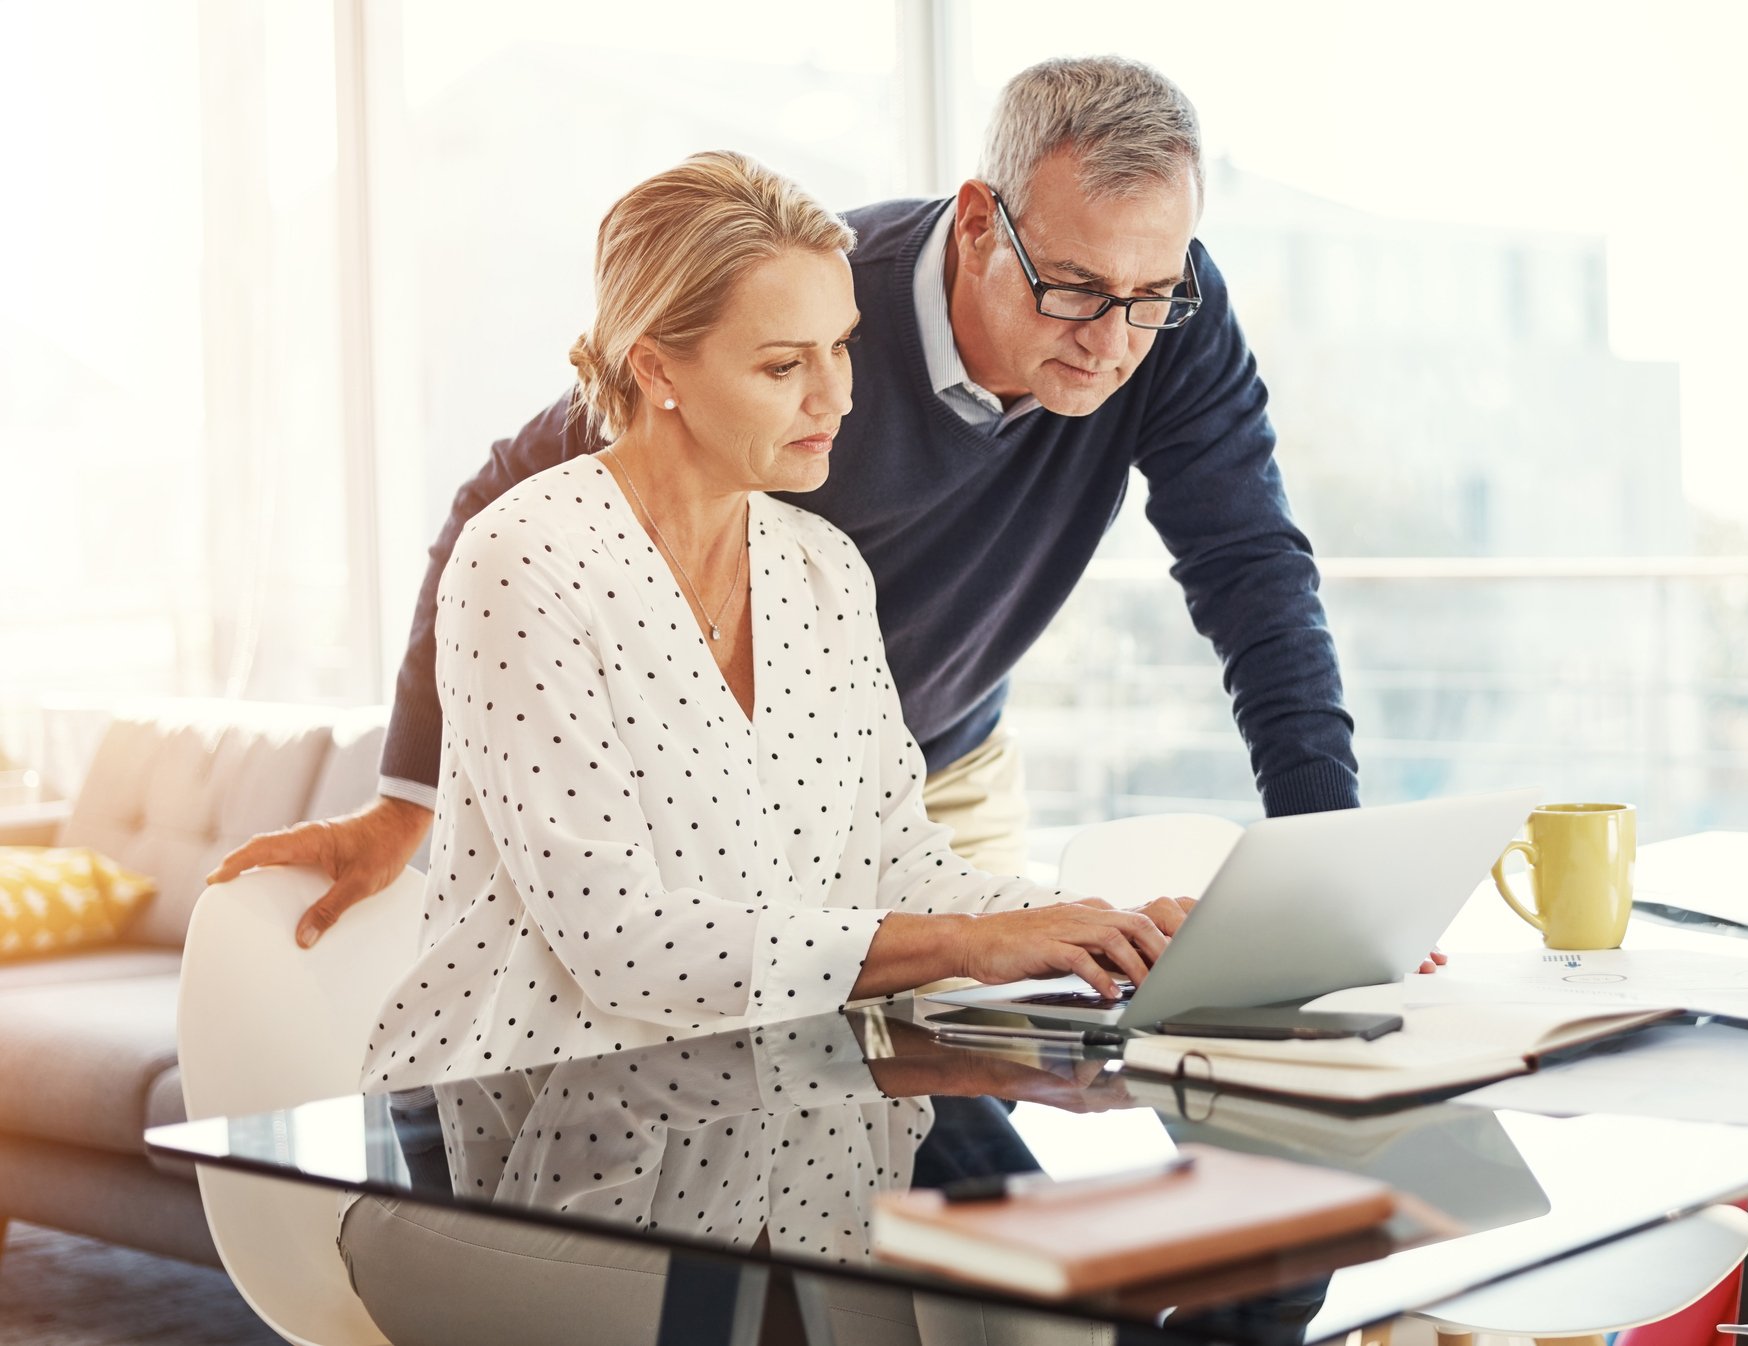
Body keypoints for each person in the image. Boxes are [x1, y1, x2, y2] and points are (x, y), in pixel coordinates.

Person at [214, 57, 1427, 972]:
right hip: (720, 787)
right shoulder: (792, 319)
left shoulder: (1165, 316)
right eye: (1069, 288)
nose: (1111, 340)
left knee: (970, 1116)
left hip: (928, 771)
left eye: (1150, 293)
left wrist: (1320, 867)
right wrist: (409, 794)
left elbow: (1250, 569)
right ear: (974, 221)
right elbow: (509, 497)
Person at [365, 150, 1186, 1090]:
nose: (836, 395)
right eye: (782, 364)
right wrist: (968, 942)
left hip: (782, 1116)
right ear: (656, 367)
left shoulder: (823, 569)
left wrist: (1089, 929)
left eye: (842, 347)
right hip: (539, 1125)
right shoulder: (527, 559)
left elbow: (898, 867)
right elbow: (618, 939)